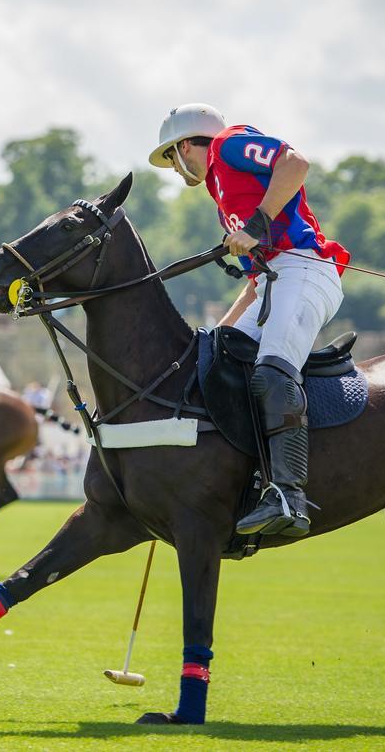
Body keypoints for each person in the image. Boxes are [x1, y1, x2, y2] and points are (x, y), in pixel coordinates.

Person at [150, 103, 350, 538]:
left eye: (172, 158)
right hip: (272, 283)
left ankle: (288, 494)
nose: (175, 168)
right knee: (217, 366)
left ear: (185, 146)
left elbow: (295, 163)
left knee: (272, 372)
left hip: (306, 268)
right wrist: (219, 332)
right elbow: (255, 282)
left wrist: (257, 225)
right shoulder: (221, 194)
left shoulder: (228, 144)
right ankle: (242, 482)